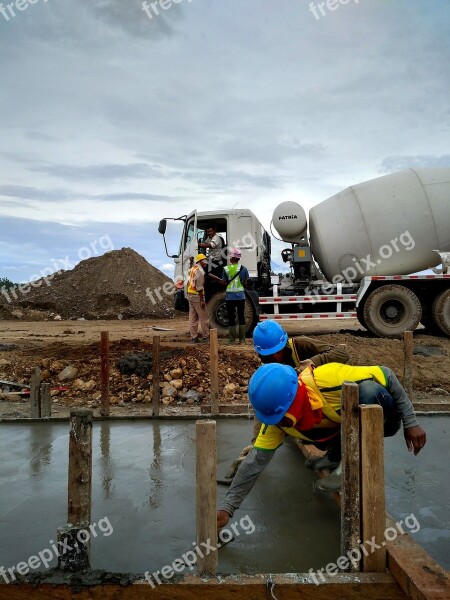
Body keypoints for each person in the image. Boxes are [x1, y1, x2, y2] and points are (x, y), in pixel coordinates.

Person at [217, 362, 426, 530]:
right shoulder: (277, 424)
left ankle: (349, 466)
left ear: (295, 398)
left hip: (384, 418)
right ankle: (335, 456)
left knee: (368, 391)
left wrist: (411, 422)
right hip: (339, 429)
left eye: (283, 416)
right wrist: (227, 509)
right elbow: (254, 463)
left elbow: (387, 374)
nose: (280, 423)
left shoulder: (329, 380)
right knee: (306, 428)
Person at [187, 253, 210, 343]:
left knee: (192, 317)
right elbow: (199, 287)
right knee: (204, 317)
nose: (206, 262)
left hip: (190, 295)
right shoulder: (200, 271)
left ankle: (194, 337)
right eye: (204, 260)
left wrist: (191, 262)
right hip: (197, 296)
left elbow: (190, 272)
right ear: (200, 261)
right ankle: (206, 337)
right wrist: (201, 300)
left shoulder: (193, 269)